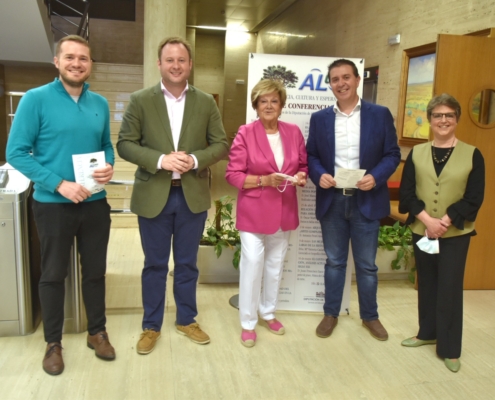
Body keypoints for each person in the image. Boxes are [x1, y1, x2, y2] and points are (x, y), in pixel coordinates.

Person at [6, 35, 116, 375]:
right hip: (53, 204)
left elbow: (106, 146)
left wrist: (108, 167)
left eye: (84, 58)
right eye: (70, 57)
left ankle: (96, 331)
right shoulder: (35, 100)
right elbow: (15, 153)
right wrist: (59, 183)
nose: (77, 63)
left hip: (95, 203)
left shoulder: (99, 102)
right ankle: (53, 343)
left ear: (90, 64)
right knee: (53, 274)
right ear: (57, 61)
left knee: (95, 272)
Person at [117, 37, 229, 354]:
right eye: (170, 60)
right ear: (159, 64)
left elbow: (221, 144)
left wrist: (193, 160)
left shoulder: (206, 102)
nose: (176, 66)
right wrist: (160, 160)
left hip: (191, 195)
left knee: (186, 264)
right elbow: (125, 143)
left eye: (181, 60)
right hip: (154, 194)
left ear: (190, 64)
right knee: (154, 264)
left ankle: (186, 320)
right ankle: (151, 326)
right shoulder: (140, 100)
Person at [306, 59, 400, 341]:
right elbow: (311, 156)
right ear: (330, 84)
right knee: (334, 261)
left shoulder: (379, 114)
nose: (341, 83)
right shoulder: (320, 118)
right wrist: (319, 174)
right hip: (332, 200)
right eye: (335, 79)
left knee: (367, 265)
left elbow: (392, 154)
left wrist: (376, 176)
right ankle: (330, 313)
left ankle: (370, 316)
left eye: (346, 77)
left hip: (367, 200)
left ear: (358, 80)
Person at [399, 93, 484, 373]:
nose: (443, 120)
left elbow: (474, 197)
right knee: (428, 283)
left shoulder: (473, 154)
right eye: (437, 115)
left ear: (456, 119)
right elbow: (407, 192)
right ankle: (427, 333)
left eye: (449, 115)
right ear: (430, 120)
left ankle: (449, 348)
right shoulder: (417, 153)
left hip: (455, 234)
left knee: (449, 288)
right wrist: (426, 220)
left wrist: (443, 221)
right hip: (422, 229)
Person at [225, 79, 308, 347]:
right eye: (263, 101)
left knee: (274, 267)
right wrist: (263, 181)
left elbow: (303, 164)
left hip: (284, 211)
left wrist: (301, 175)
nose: (269, 106)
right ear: (256, 105)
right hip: (253, 213)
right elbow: (233, 174)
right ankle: (248, 323)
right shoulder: (245, 133)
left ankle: (268, 312)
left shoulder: (293, 132)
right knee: (252, 266)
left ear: (282, 105)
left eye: (274, 100)